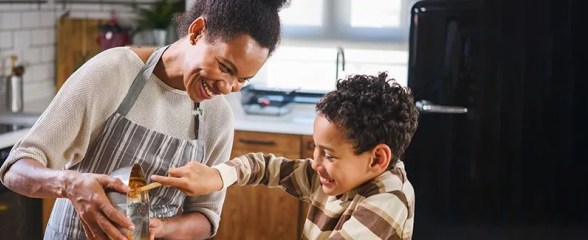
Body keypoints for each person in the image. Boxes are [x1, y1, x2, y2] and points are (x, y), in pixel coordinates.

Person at [0, 0, 289, 239]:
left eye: (242, 80)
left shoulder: (217, 118)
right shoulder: (115, 72)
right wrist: (70, 183)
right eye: (224, 67)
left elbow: (206, 216)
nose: (227, 87)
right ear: (197, 31)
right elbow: (17, 168)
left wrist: (162, 228)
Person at [152, 72, 420, 239]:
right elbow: (265, 166)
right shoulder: (337, 176)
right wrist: (218, 177)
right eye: (315, 148)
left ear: (376, 159)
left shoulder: (389, 198)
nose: (315, 163)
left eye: (329, 155)